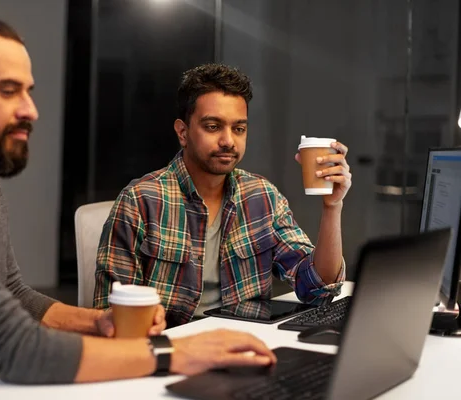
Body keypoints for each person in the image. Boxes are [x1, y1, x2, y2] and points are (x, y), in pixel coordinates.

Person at [0, 15, 276, 399]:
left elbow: (16, 294)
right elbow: (19, 350)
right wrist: (178, 353)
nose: (30, 109)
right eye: (8, 90)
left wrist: (97, 323)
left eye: (28, 91)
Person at [94, 63, 352, 327]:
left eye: (238, 129)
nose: (228, 140)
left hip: (247, 348)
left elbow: (317, 287)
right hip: (174, 352)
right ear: (183, 132)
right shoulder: (141, 201)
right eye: (213, 126)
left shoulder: (262, 197)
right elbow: (111, 318)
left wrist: (332, 206)